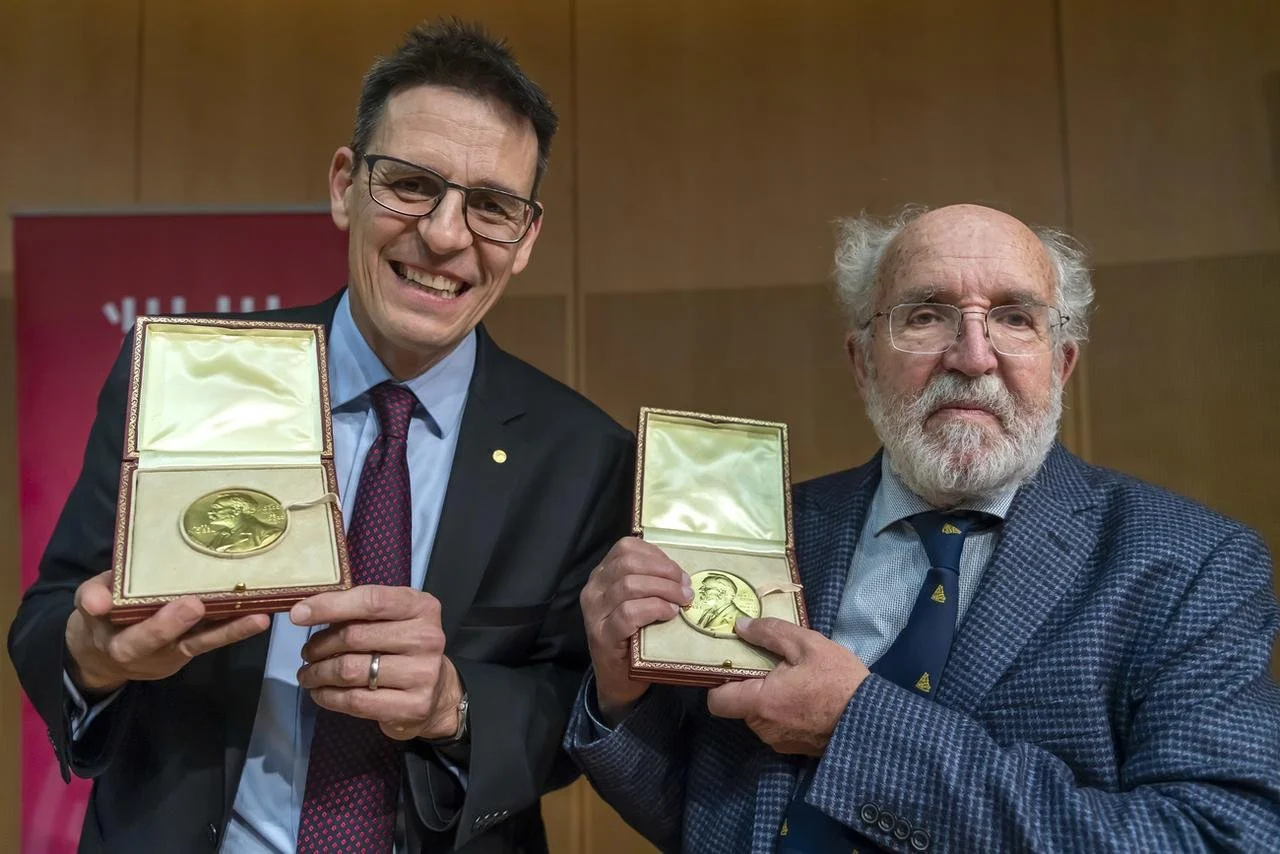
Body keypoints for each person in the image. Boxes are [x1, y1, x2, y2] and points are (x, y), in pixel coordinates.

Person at [8, 19, 633, 854]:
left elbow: (575, 706)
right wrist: (95, 657)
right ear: (345, 186)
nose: (446, 234)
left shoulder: (583, 455)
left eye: (491, 206)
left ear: (525, 239)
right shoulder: (190, 380)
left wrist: (453, 704)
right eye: (411, 184)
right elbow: (50, 619)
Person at [566, 203, 1280, 852]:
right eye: (926, 316)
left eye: (1014, 318)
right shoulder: (774, 531)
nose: (972, 357)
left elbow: (1219, 837)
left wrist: (858, 727)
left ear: (1061, 365)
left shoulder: (1190, 563)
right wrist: (624, 693)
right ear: (862, 363)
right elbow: (713, 815)